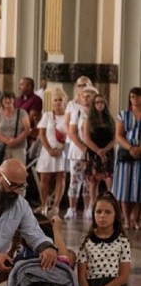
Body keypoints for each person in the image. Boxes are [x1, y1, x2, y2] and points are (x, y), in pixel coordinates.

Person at [112, 87, 141, 229]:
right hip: (126, 152)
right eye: (132, 96)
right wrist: (130, 148)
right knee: (125, 186)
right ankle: (126, 219)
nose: (135, 99)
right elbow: (118, 135)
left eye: (138, 96)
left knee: (139, 187)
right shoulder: (123, 115)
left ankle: (136, 219)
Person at [65, 81, 95, 219]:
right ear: (81, 96)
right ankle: (72, 208)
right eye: (85, 96)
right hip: (77, 150)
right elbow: (72, 132)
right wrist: (83, 147)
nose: (87, 98)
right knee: (75, 179)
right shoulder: (76, 111)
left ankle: (88, 208)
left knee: (89, 181)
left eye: (90, 96)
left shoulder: (97, 113)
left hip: (93, 151)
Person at [35, 88, 68, 214]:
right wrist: (49, 149)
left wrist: (62, 148)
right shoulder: (47, 115)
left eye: (60, 100)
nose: (58, 102)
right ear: (52, 102)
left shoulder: (67, 117)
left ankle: (56, 206)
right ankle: (43, 204)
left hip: (62, 150)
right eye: (56, 100)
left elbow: (71, 134)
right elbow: (42, 134)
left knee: (61, 177)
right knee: (45, 178)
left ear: (65, 101)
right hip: (47, 150)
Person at [83, 93, 116, 211]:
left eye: (102, 102)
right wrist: (98, 151)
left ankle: (110, 206)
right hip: (93, 152)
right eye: (97, 102)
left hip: (108, 152)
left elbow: (114, 138)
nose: (100, 105)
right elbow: (86, 139)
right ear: (94, 105)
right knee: (93, 181)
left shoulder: (110, 119)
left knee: (109, 179)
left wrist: (105, 150)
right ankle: (94, 207)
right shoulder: (88, 120)